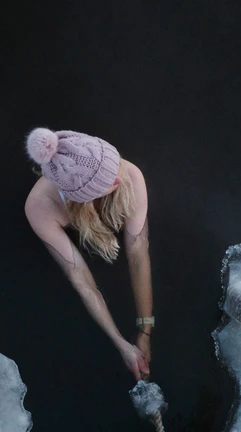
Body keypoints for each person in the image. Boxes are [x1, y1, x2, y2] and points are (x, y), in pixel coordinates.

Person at [23, 127, 154, 381]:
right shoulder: (40, 207)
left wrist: (145, 329)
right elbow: (81, 280)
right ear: (82, 197)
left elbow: (138, 254)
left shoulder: (127, 174)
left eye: (113, 167)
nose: (118, 177)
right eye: (107, 182)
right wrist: (121, 344)